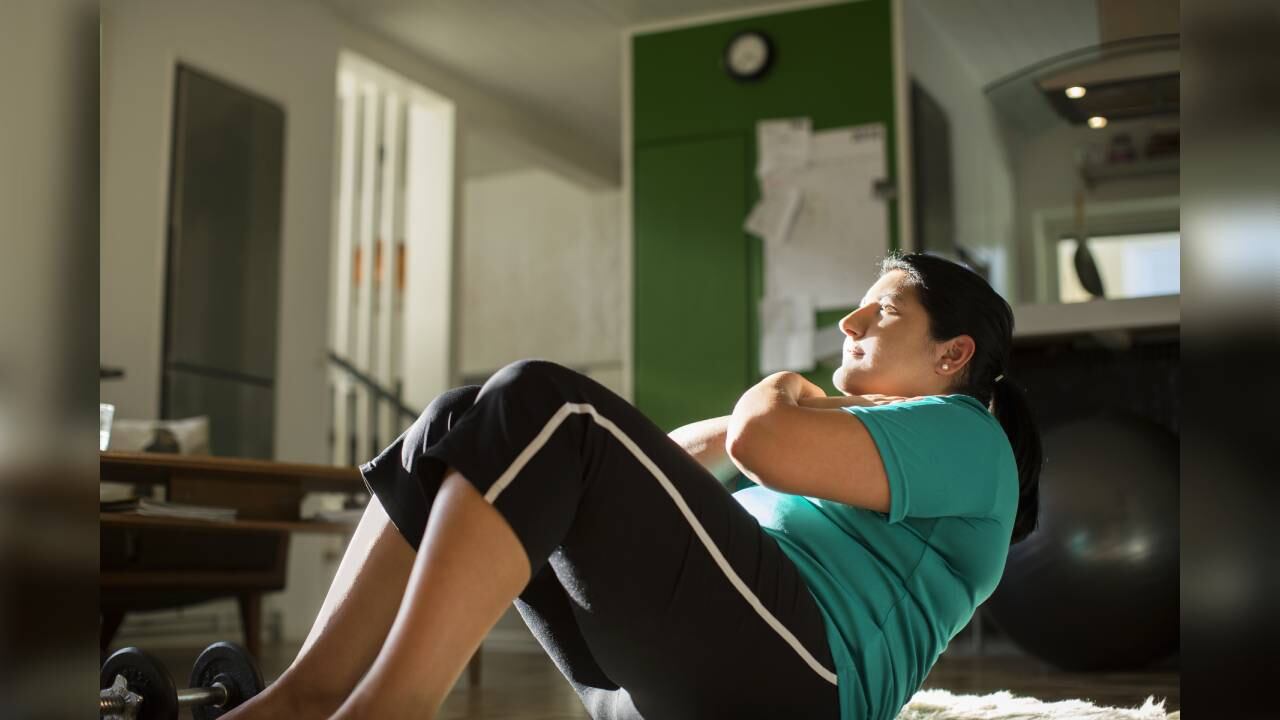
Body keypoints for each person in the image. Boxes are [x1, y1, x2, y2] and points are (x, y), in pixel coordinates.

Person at [224, 251, 1042, 720]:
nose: (850, 323)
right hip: (676, 683)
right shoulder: (857, 446)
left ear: (952, 355)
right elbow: (658, 466)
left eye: (882, 312)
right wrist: (748, 429)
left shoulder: (970, 438)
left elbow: (756, 440)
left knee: (545, 398)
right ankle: (306, 697)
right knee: (459, 418)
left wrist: (783, 387)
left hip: (802, 689)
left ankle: (385, 712)